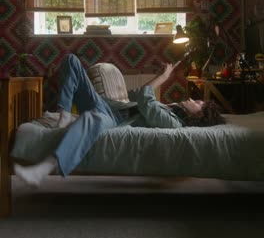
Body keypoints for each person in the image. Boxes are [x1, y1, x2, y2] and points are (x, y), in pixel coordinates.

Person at [14, 54, 225, 187]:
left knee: (92, 119)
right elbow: (135, 95)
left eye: (199, 103)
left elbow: (143, 98)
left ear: (198, 115)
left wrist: (163, 77)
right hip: (109, 105)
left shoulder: (175, 123)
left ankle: (49, 165)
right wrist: (160, 77)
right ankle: (65, 114)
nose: (193, 99)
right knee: (71, 60)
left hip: (112, 119)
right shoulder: (171, 108)